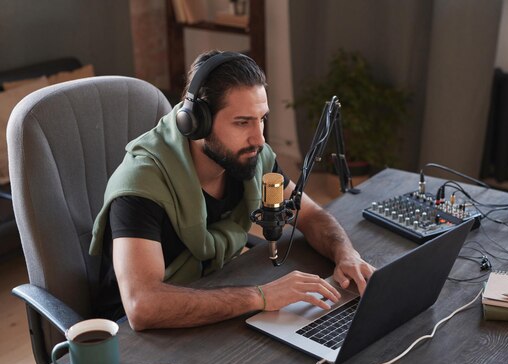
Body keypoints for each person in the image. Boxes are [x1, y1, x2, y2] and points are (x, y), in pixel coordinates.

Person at [89, 50, 374, 331]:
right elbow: (142, 306)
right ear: (196, 122)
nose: (259, 138)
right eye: (242, 122)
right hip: (136, 336)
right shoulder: (141, 185)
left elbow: (309, 214)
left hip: (213, 297)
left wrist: (346, 254)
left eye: (261, 118)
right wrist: (261, 296)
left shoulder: (252, 157)